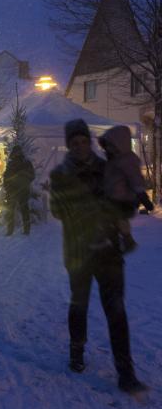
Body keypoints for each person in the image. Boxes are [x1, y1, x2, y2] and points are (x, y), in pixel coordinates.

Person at [50, 118, 146, 394]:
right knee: (79, 305)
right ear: (69, 145)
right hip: (78, 252)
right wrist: (89, 208)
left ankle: (126, 373)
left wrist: (127, 202)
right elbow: (58, 211)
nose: (80, 146)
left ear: (89, 142)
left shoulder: (108, 169)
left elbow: (124, 209)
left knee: (116, 310)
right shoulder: (60, 175)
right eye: (74, 142)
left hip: (108, 252)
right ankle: (76, 351)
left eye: (83, 141)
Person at [98, 125, 153, 253]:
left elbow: (135, 178)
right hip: (113, 196)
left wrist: (142, 195)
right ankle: (110, 238)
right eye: (107, 146)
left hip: (124, 198)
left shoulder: (128, 160)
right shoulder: (113, 159)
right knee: (109, 216)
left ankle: (127, 240)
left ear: (119, 144)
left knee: (118, 217)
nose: (108, 149)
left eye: (110, 146)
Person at [3, 145, 35, 235]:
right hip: (18, 191)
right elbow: (31, 175)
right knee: (22, 211)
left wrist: (8, 186)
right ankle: (23, 230)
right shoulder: (24, 163)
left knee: (14, 211)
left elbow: (6, 177)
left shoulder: (14, 163)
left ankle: (12, 231)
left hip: (15, 191)